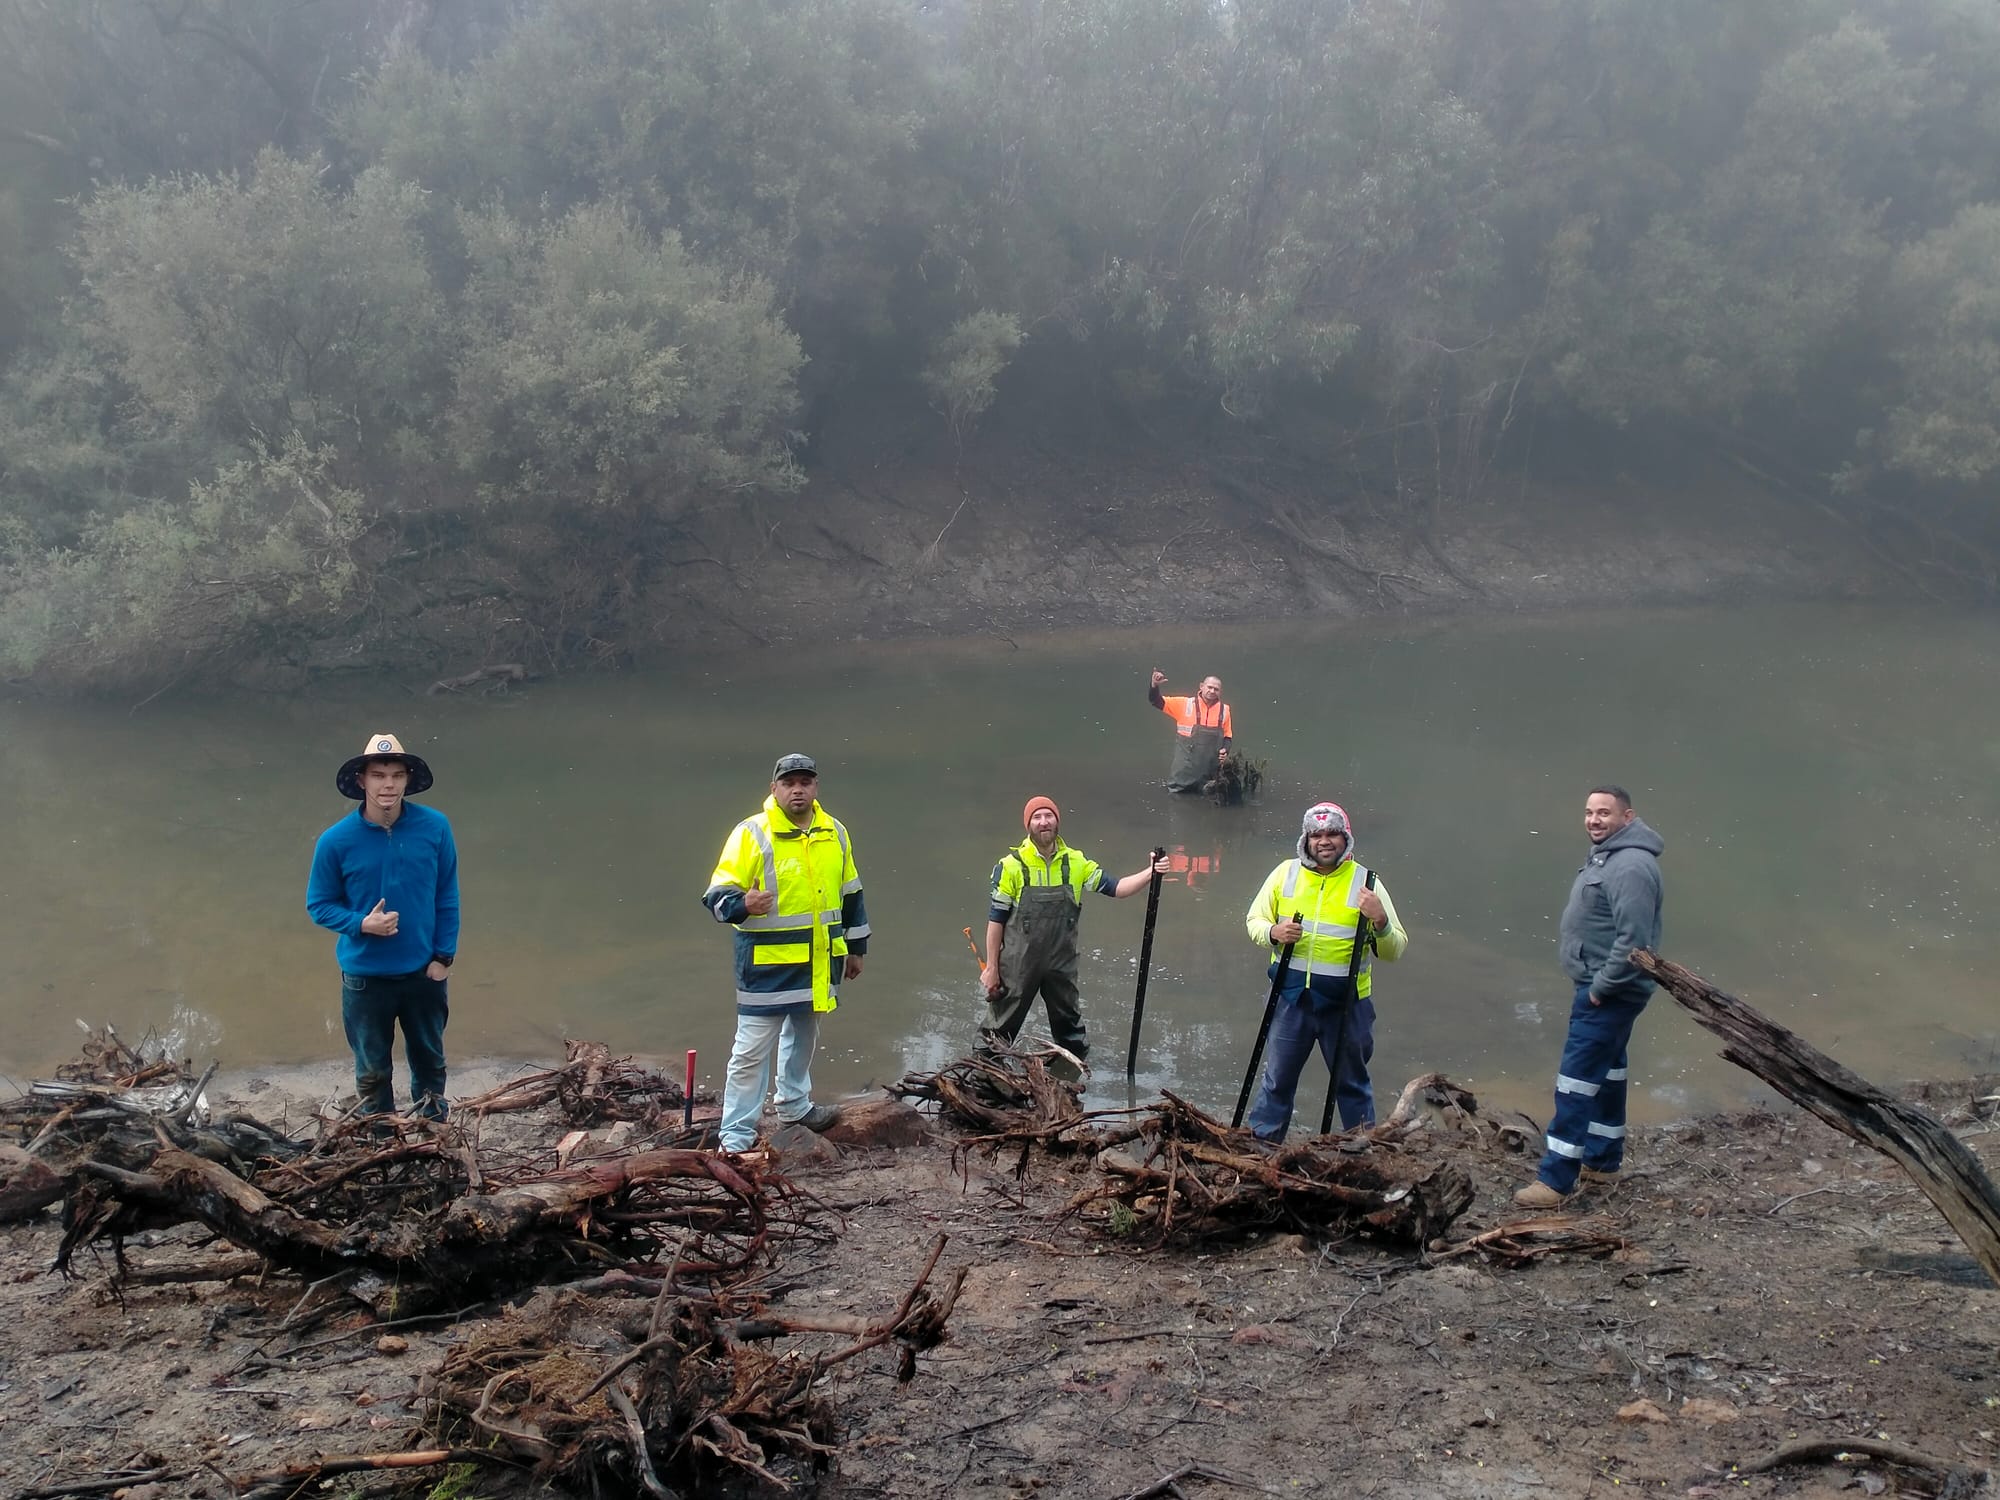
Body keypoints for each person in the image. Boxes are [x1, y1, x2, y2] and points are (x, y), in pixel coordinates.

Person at [702, 754, 869, 1152]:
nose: (798, 790)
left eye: (805, 782)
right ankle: (736, 1135)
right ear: (774, 789)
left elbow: (851, 893)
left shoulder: (835, 832)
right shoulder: (752, 833)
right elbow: (716, 896)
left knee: (804, 1037)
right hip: (767, 965)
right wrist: (744, 903)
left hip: (818, 961)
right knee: (749, 1052)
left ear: (816, 787)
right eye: (789, 783)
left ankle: (794, 1106)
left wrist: (856, 948)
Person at [1514, 785, 1666, 1209]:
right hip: (1602, 987)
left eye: (1604, 813)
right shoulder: (1610, 856)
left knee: (1575, 1083)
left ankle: (1555, 1181)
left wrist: (1600, 988)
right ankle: (1601, 1161)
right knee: (1609, 1073)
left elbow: (1634, 942)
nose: (1594, 820)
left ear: (1627, 817)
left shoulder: (1630, 866)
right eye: (1589, 812)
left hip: (1610, 992)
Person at [307, 732, 460, 1120]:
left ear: (408, 779)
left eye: (396, 775)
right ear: (362, 781)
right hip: (364, 979)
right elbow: (319, 905)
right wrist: (361, 923)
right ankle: (380, 1138)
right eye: (378, 775)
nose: (388, 784)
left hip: (424, 972)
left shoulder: (435, 827)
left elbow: (447, 895)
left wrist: (443, 957)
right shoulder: (335, 841)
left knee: (431, 1063)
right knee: (372, 1071)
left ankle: (433, 1131)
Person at [1243, 801, 1406, 1139]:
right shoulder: (1284, 873)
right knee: (1277, 1081)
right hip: (1290, 1000)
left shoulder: (1367, 882)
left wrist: (1380, 920)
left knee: (1351, 1085)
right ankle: (1263, 1149)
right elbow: (1254, 920)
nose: (1324, 841)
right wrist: (1273, 932)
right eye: (1316, 835)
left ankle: (1360, 1149)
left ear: (1346, 838)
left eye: (1332, 833)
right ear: (1306, 840)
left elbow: (1395, 950)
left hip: (1347, 1004)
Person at [981, 796, 1171, 1063]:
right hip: (1018, 965)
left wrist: (1151, 872)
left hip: (1062, 963)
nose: (1044, 822)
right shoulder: (1010, 866)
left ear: (1057, 821)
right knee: (996, 1033)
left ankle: (1069, 1078)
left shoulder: (1075, 862)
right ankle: (983, 1074)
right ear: (1028, 825)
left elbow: (1116, 888)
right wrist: (992, 968)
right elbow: (996, 921)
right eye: (1037, 817)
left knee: (1071, 1036)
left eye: (1049, 816)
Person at [1149, 669, 1233, 793]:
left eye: (1216, 689)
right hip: (1184, 772)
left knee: (1209, 798)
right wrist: (1154, 685)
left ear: (1220, 692)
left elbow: (1227, 737)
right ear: (1201, 686)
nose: (1212, 691)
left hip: (1209, 775)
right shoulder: (1184, 704)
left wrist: (1225, 750)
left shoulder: (1224, 710)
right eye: (1209, 687)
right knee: (1177, 800)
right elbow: (1155, 701)